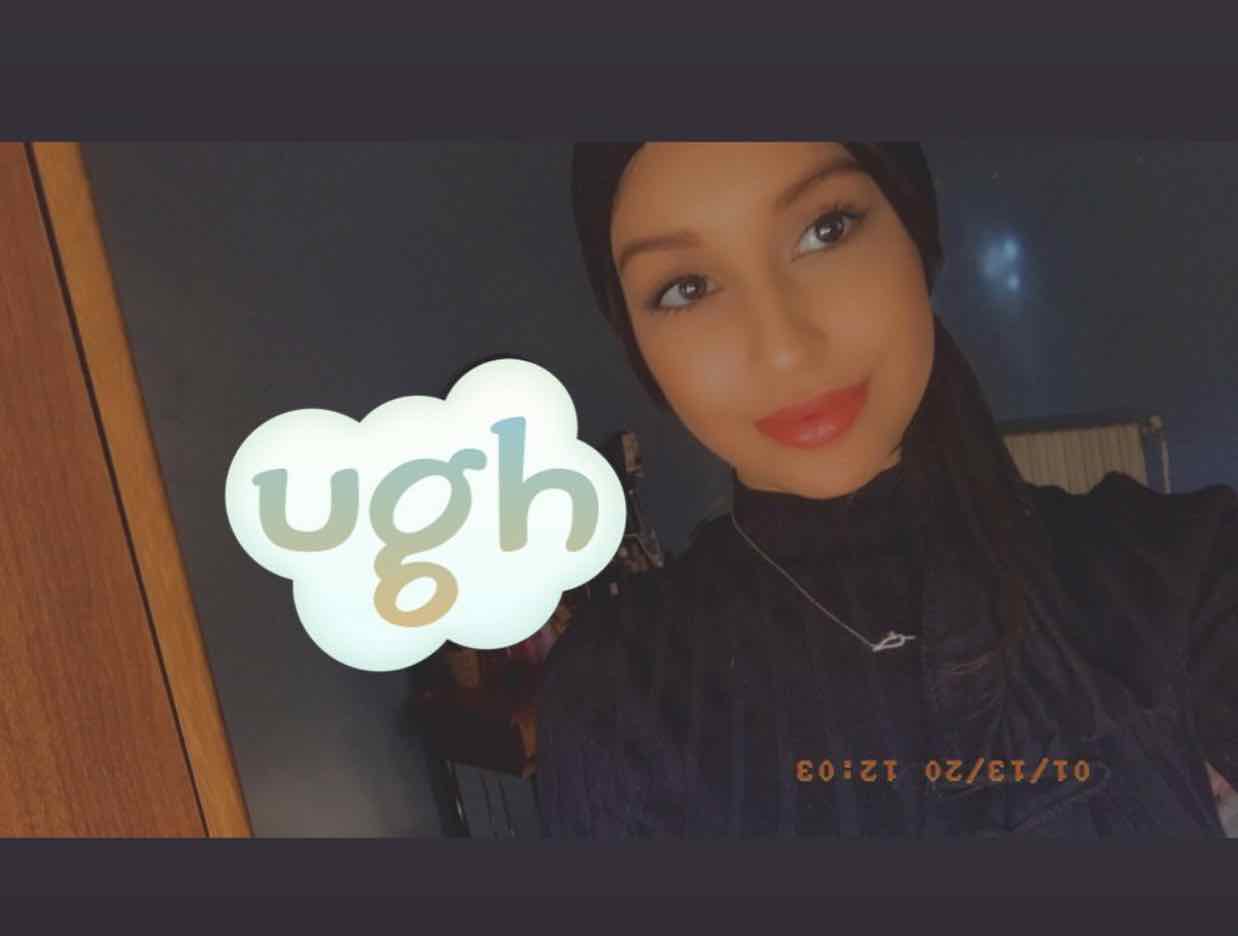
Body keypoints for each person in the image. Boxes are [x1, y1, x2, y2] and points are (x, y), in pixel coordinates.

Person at [534, 142, 1238, 838]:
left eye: (826, 230)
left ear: (914, 234)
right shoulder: (613, 698)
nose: (784, 349)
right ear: (638, 344)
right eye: (688, 287)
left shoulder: (1176, 572)